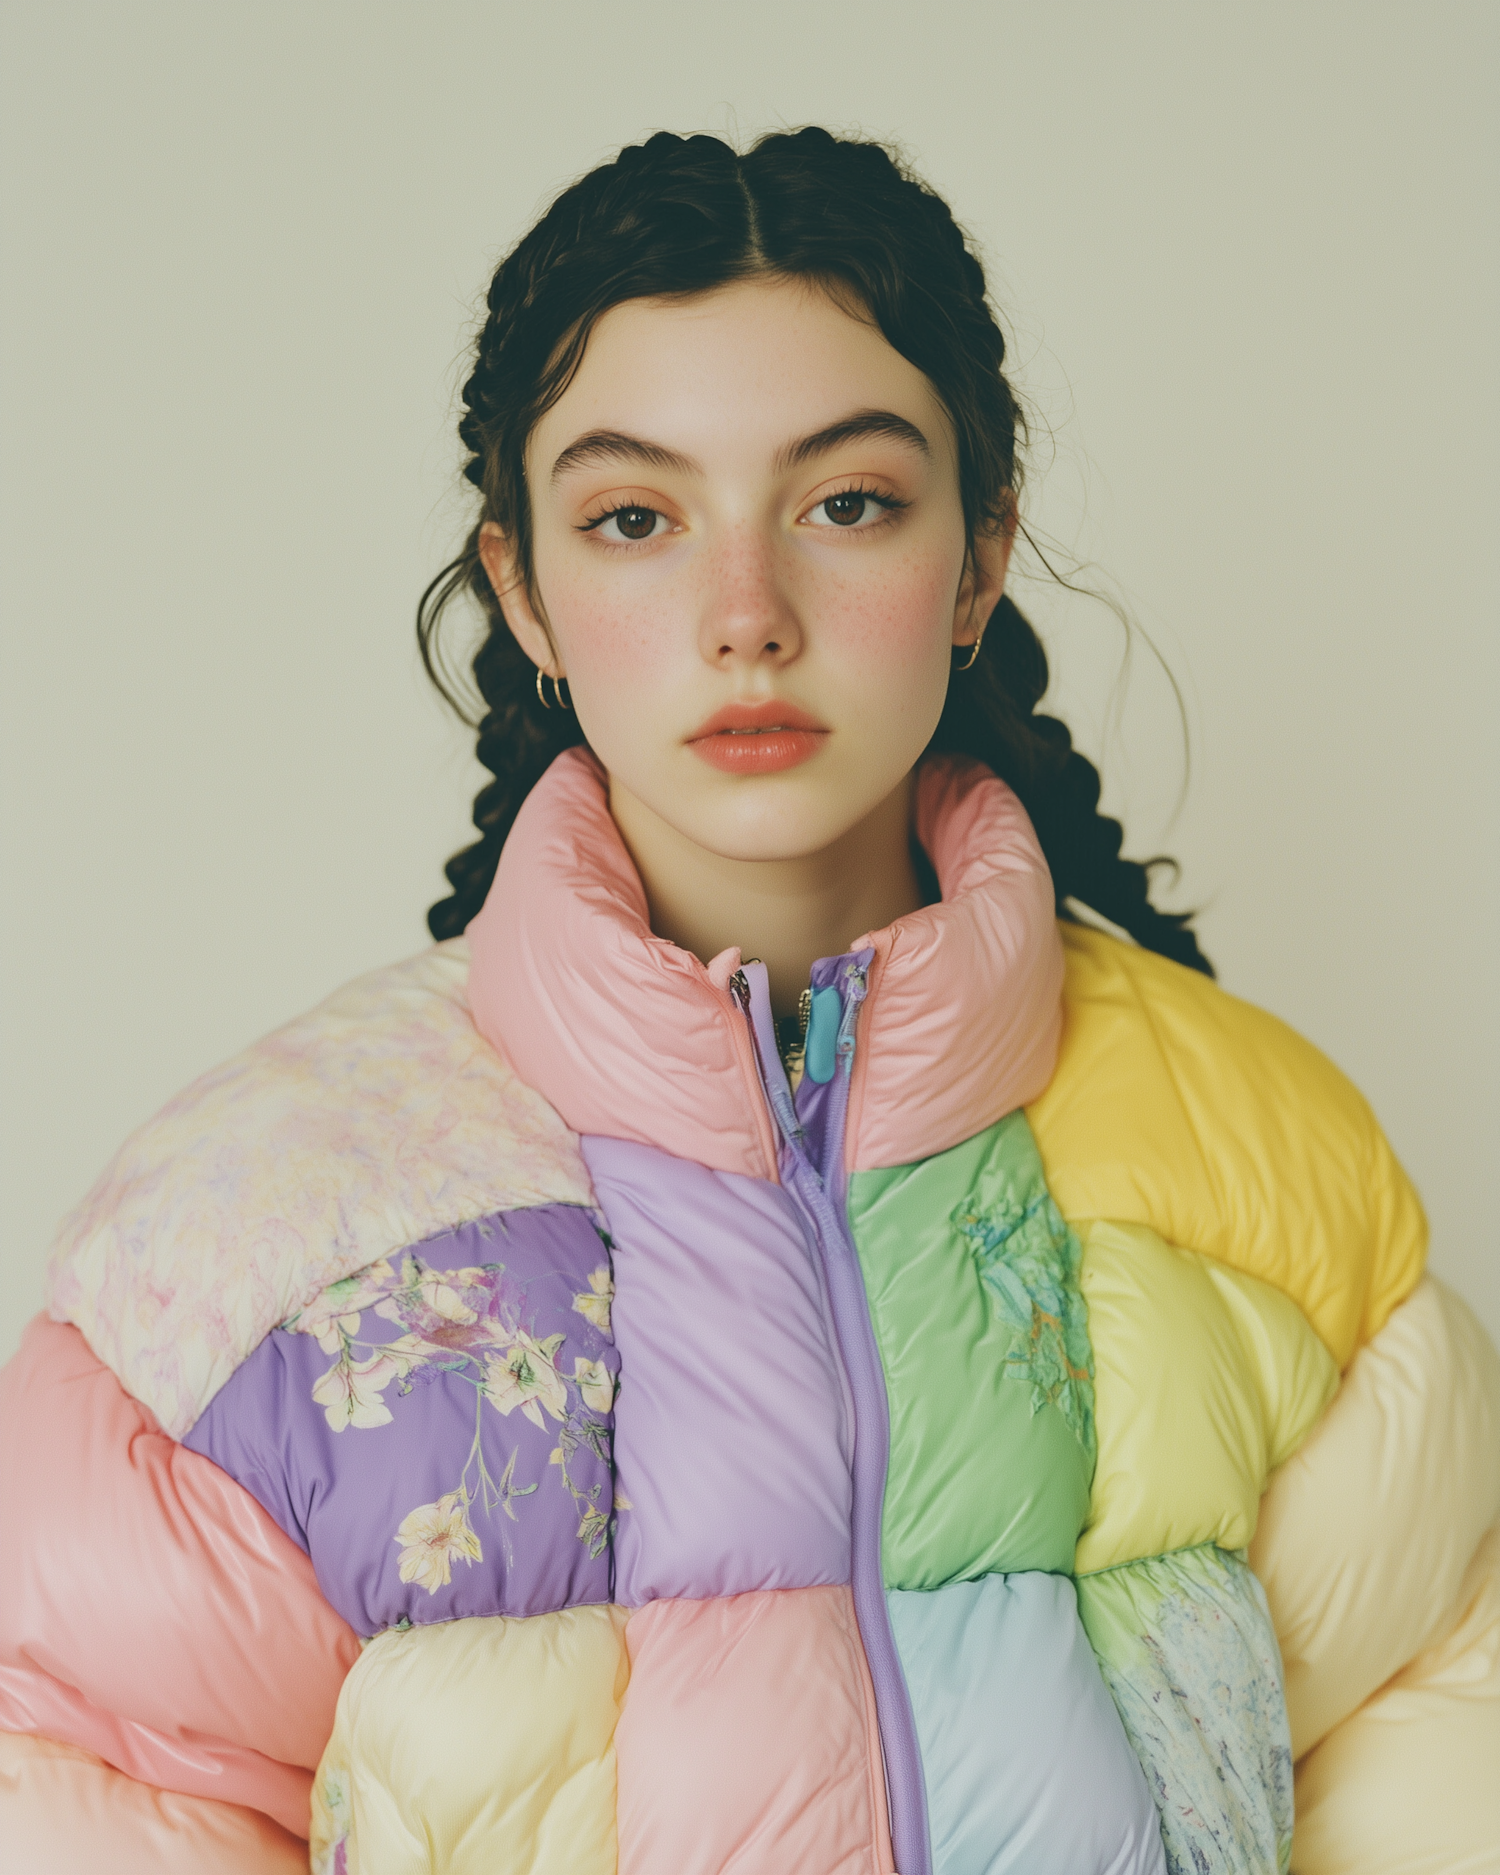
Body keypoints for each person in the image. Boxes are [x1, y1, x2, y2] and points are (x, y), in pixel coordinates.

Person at [1, 128, 1495, 1875]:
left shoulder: (1263, 1158)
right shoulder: (260, 1230)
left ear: (981, 549)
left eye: (846, 502)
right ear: (524, 589)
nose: (745, 615)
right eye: (635, 518)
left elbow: (1440, 1710)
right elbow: (84, 1786)